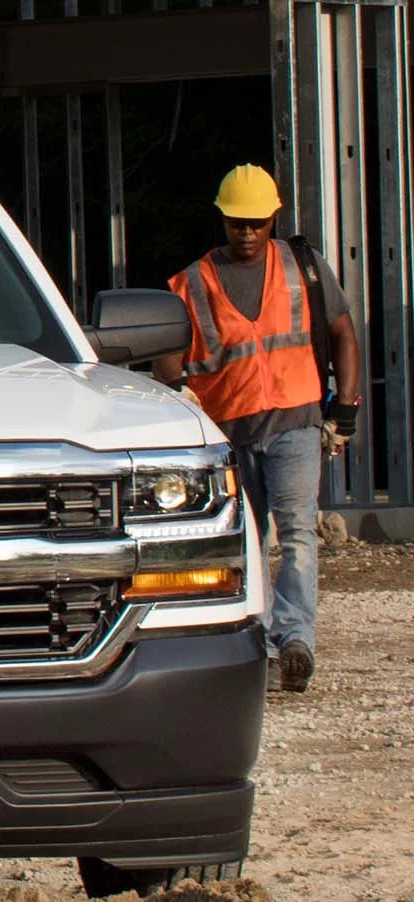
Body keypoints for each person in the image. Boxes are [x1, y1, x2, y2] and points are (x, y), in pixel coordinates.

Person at [156, 164, 362, 694]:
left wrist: (346, 408)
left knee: (296, 533)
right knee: (250, 540)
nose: (246, 232)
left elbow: (343, 331)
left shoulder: (303, 269)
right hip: (230, 433)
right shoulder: (190, 284)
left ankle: (294, 641)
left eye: (256, 222)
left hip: (296, 420)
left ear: (274, 217)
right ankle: (259, 645)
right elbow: (168, 364)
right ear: (221, 220)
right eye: (235, 223)